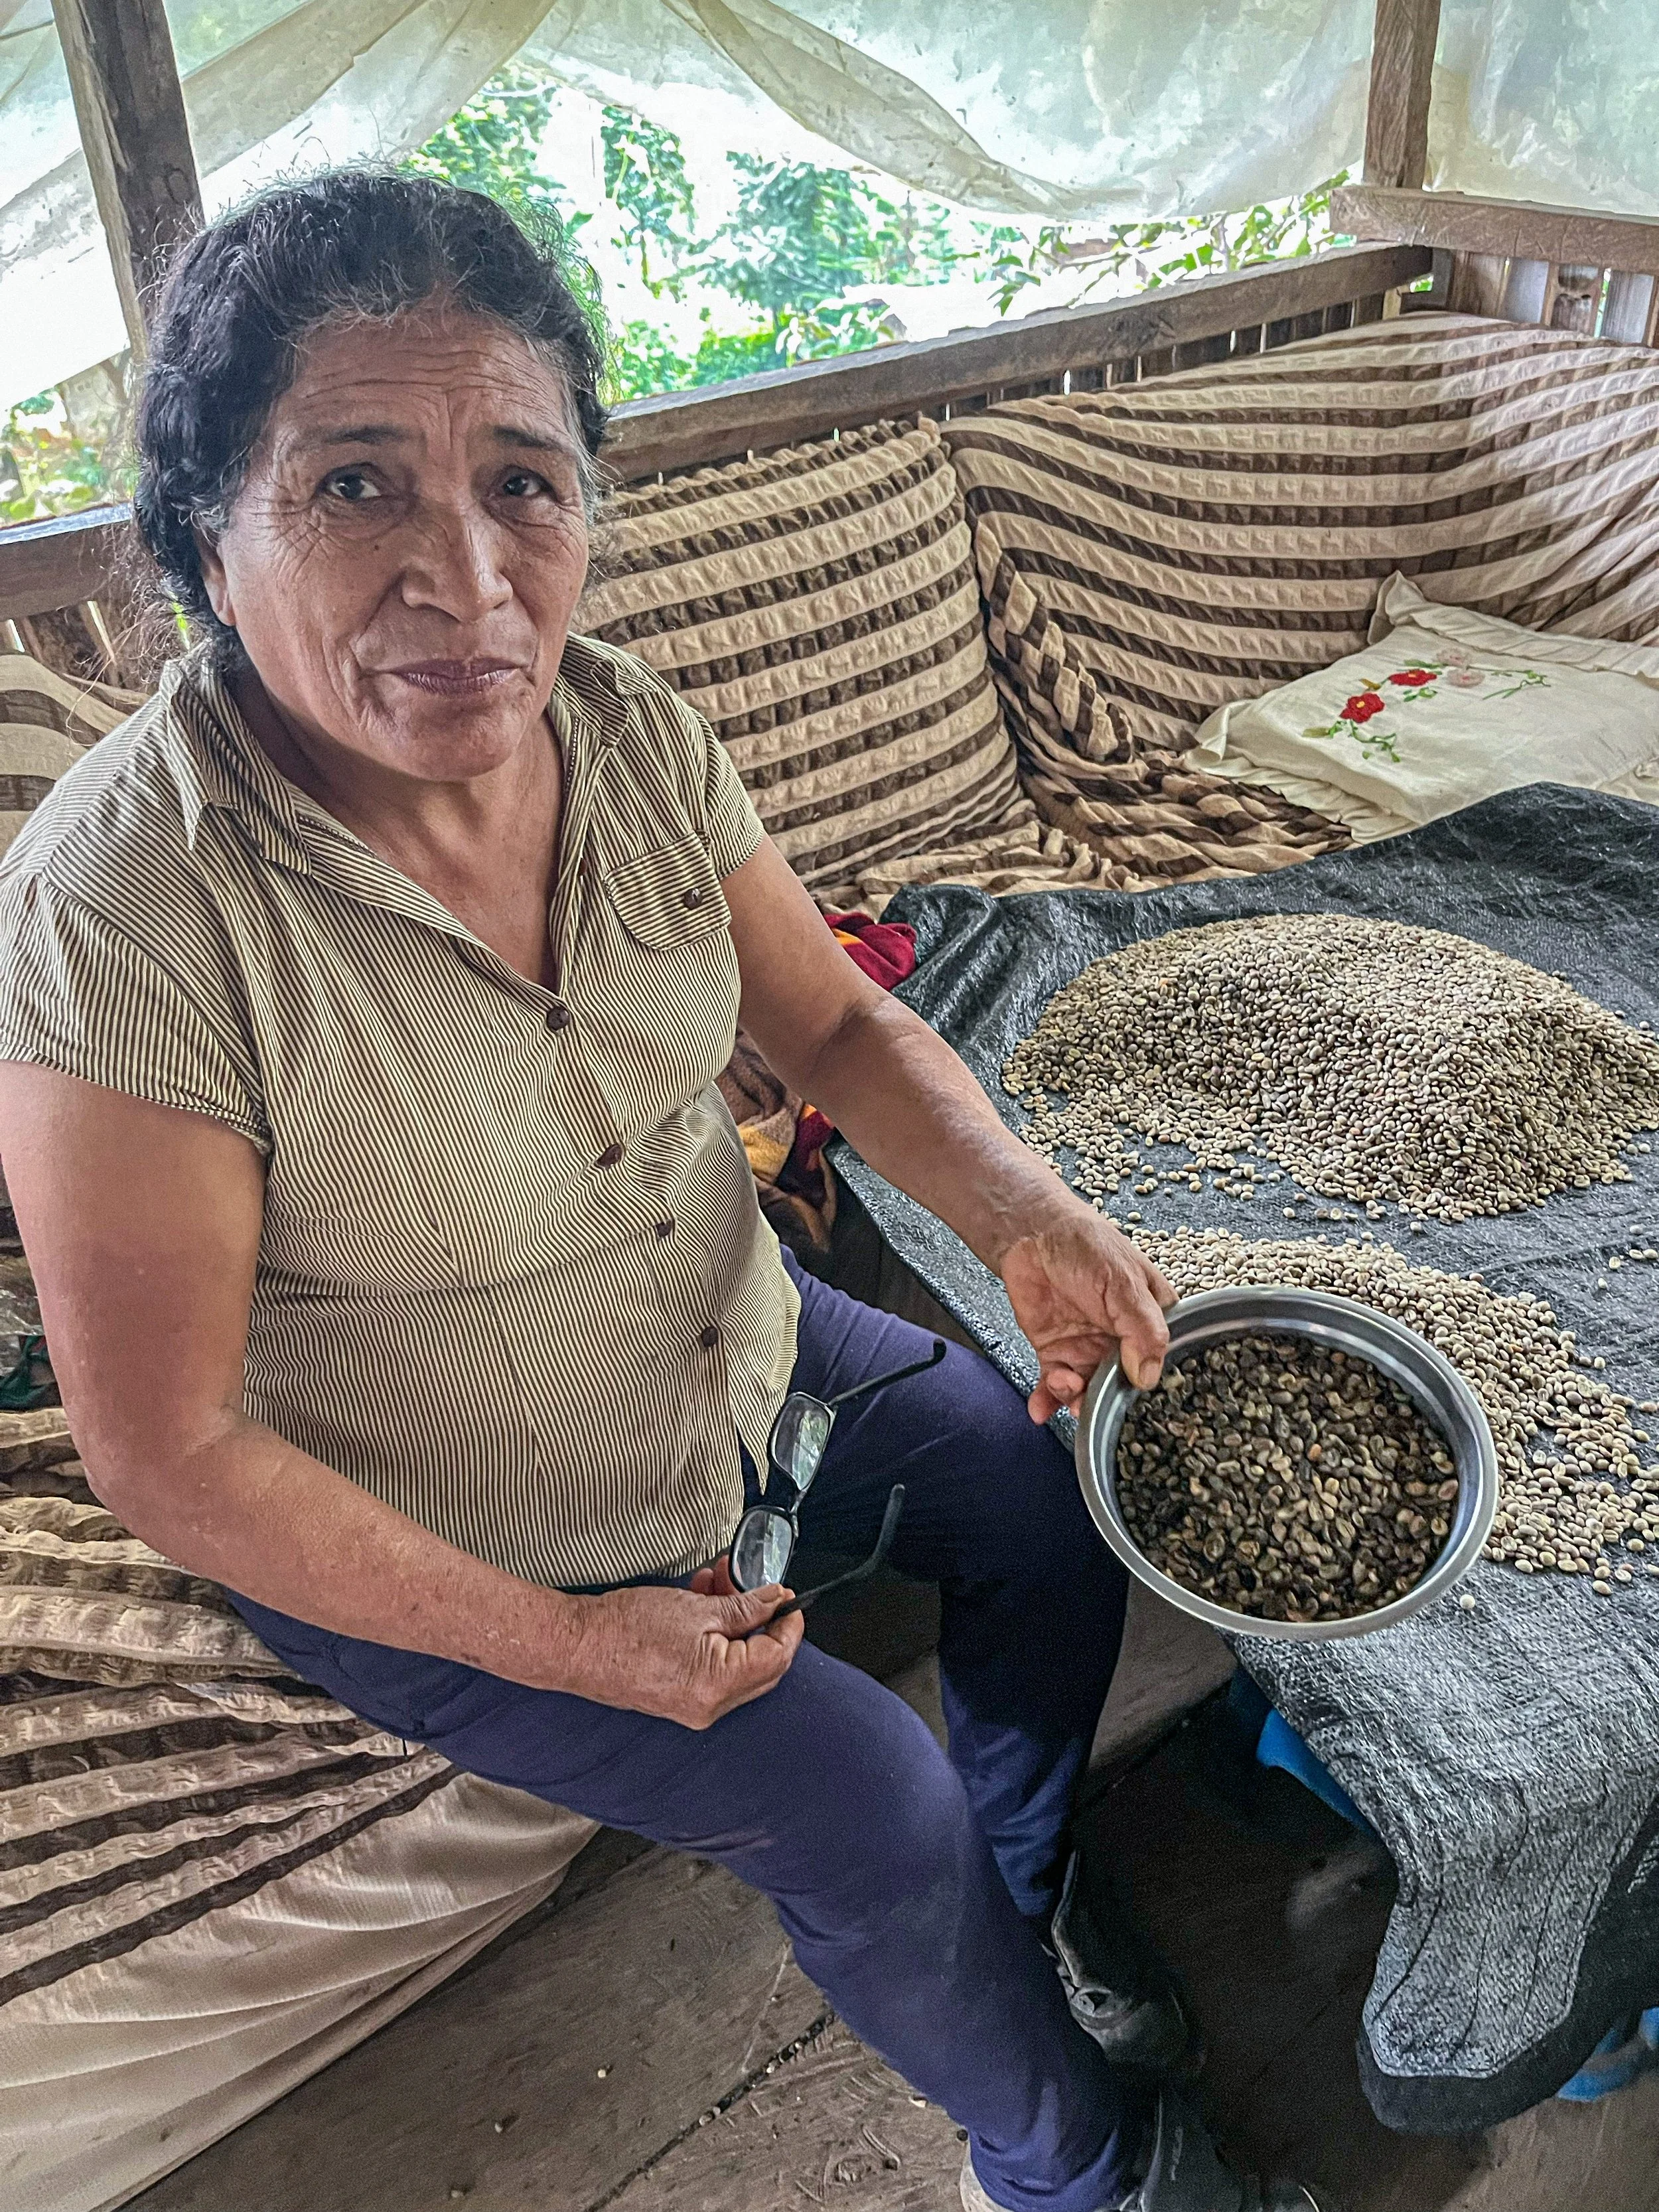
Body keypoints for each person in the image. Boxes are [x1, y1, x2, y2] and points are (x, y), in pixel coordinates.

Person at [0, 172, 1319, 2212]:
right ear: (200, 537)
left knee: (1033, 1492)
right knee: (861, 1794)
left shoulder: (628, 735)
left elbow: (847, 1037)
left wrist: (1021, 1209)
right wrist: (562, 1638)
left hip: (730, 1348)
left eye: (522, 483)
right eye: (355, 486)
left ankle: (1026, 1906)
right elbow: (165, 1448)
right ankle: (1060, 2161)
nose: (467, 578)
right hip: (435, 1514)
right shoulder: (125, 910)